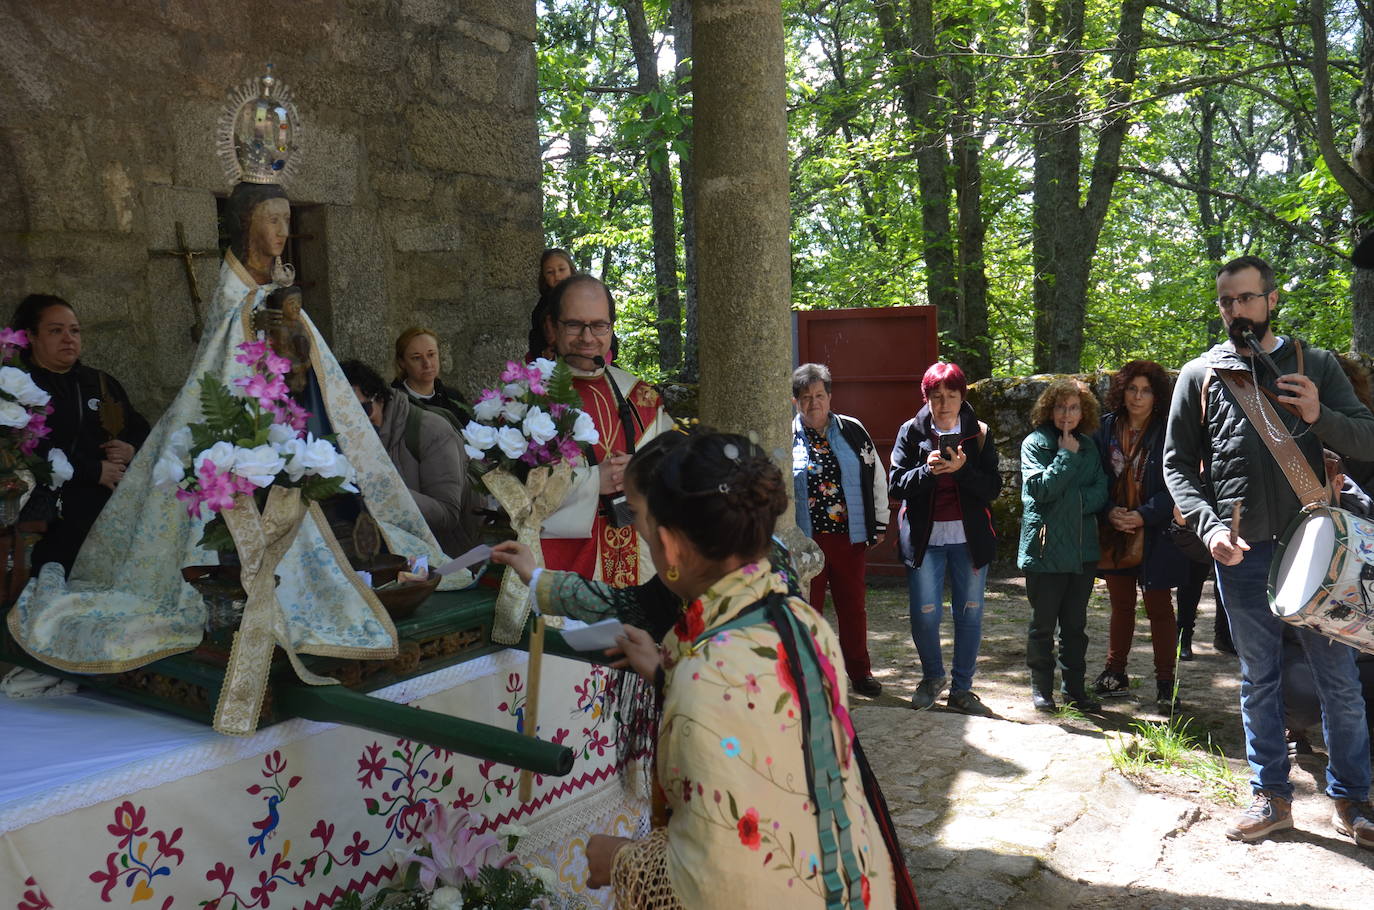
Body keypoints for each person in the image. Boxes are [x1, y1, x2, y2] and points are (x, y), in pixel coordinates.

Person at [8, 173, 457, 674]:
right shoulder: (237, 307)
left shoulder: (273, 299)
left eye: (288, 220)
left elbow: (310, 388)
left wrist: (299, 356)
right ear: (247, 224)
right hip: (219, 469)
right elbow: (218, 383)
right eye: (272, 220)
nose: (283, 230)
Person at [569, 431, 902, 909]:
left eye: (643, 525)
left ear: (667, 546)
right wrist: (667, 670)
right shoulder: (804, 621)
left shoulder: (705, 674)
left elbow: (719, 884)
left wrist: (620, 859)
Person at [1164, 254, 1374, 849]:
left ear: (1272, 300)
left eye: (1247, 299)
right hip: (1240, 551)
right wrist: (1208, 528)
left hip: (1321, 553)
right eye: (1227, 302)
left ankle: (1354, 800)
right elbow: (1177, 466)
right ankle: (1271, 797)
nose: (1236, 311)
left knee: (1339, 679)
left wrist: (1318, 413)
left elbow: (1367, 438)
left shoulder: (1318, 364)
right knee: (1258, 678)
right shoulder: (1200, 375)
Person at [538, 274, 673, 587]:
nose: (587, 337)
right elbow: (512, 497)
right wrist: (592, 481)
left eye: (599, 325)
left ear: (611, 328)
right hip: (567, 568)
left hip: (643, 563)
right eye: (574, 324)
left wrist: (644, 474)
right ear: (552, 327)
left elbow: (677, 475)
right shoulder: (529, 399)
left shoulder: (641, 398)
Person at [8, 294, 151, 574]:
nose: (68, 338)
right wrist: (93, 470)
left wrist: (130, 447)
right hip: (52, 509)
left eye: (74, 330)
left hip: (112, 501)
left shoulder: (98, 382)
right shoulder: (19, 386)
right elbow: (26, 447)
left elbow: (138, 425)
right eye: (55, 331)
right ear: (31, 336)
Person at [888, 361, 1000, 715]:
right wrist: (929, 471)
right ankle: (932, 677)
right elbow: (895, 485)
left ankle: (962, 689)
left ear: (962, 396)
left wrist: (963, 470)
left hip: (969, 540)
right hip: (926, 540)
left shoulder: (979, 432)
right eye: (936, 397)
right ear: (926, 398)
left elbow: (993, 488)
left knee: (970, 614)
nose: (944, 404)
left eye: (951, 396)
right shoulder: (911, 431)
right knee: (925, 614)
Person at [1090, 361, 1189, 709]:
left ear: (1157, 394)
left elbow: (1176, 483)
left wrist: (1142, 516)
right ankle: (1115, 672)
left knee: (1160, 608)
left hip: (1157, 533)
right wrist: (1109, 511)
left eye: (1145, 390)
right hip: (1115, 531)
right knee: (1121, 606)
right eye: (1132, 388)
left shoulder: (1168, 431)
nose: (1137, 396)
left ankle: (1166, 682)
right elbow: (1094, 478)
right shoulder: (1104, 428)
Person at [791, 363, 889, 697]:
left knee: (853, 608)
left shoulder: (852, 430)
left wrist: (879, 522)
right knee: (807, 610)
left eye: (819, 395)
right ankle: (807, 676)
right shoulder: (785, 436)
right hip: (806, 541)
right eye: (805, 397)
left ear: (830, 396)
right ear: (795, 402)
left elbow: (875, 475)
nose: (813, 403)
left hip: (849, 538)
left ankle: (860, 673)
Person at [1018, 378, 1107, 713]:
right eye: (1060, 406)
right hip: (1044, 550)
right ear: (1048, 409)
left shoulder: (1089, 445)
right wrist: (1064, 458)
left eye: (1073, 407)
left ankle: (1074, 690)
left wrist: (1067, 500)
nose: (1066, 414)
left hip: (1082, 553)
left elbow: (1101, 493)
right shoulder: (1035, 445)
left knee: (1075, 626)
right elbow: (1039, 492)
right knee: (1042, 625)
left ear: (1083, 412)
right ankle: (1042, 690)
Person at [342, 359, 473, 558]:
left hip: (445, 561)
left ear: (379, 398)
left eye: (363, 411)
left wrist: (385, 490)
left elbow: (447, 515)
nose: (357, 423)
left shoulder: (432, 431)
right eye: (345, 417)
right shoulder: (344, 437)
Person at [390, 327, 466, 430]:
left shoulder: (453, 398)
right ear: (402, 362)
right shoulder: (392, 402)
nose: (427, 364)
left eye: (431, 355)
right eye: (416, 357)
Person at [526, 248, 577, 362]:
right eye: (550, 272)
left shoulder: (586, 298)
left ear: (571, 270)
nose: (557, 276)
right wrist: (542, 352)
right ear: (544, 276)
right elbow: (535, 335)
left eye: (561, 269)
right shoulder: (542, 306)